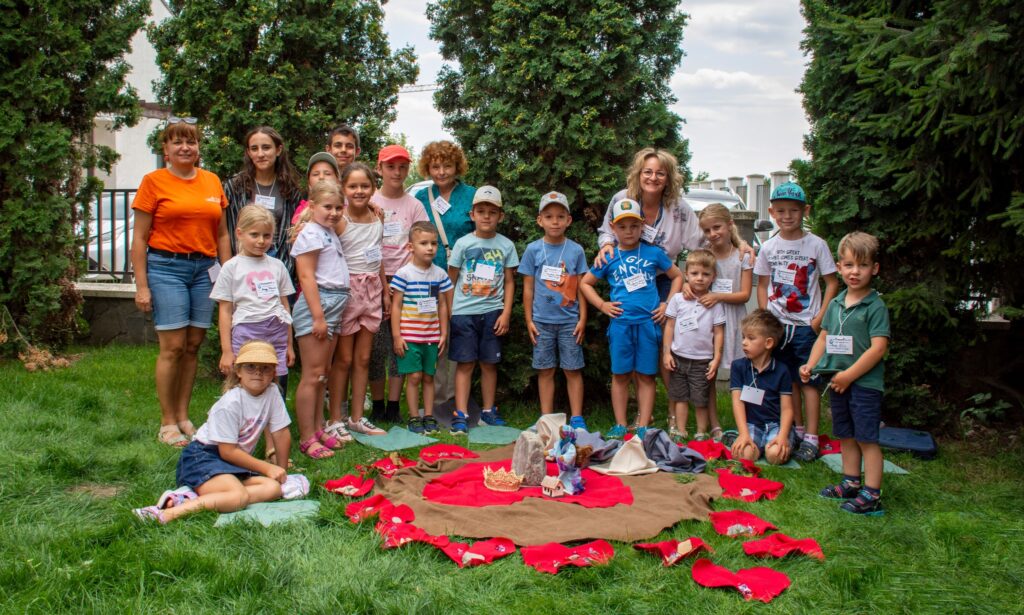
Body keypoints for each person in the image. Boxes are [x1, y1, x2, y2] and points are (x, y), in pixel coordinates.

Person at [594, 147, 754, 430]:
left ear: (668, 178)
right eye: (647, 172)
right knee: (634, 342)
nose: (653, 177)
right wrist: (606, 245)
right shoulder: (622, 199)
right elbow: (607, 230)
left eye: (660, 173)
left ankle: (672, 411)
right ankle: (642, 414)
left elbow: (703, 241)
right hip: (631, 280)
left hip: (668, 280)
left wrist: (738, 243)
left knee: (666, 347)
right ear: (638, 173)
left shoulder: (678, 208)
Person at [131, 116, 230, 447]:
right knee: (172, 347)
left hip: (204, 270)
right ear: (166, 149)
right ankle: (167, 421)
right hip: (166, 268)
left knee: (192, 345)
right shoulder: (153, 182)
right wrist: (142, 286)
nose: (185, 147)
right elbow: (139, 238)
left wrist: (227, 275)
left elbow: (222, 234)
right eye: (178, 142)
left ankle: (184, 416)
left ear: (198, 148)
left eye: (191, 141)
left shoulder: (212, 181)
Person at [132, 341, 290, 523]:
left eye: (265, 367)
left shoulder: (272, 392)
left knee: (273, 488)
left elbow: (281, 433)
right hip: (203, 457)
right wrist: (267, 467)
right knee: (238, 497)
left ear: (274, 372)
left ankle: (191, 497)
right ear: (238, 371)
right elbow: (227, 451)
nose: (258, 372)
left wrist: (282, 471)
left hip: (232, 462)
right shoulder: (230, 403)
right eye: (250, 366)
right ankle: (165, 514)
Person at [800, 232, 890, 516]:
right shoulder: (837, 303)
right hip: (837, 383)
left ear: (874, 268)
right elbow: (823, 337)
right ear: (839, 267)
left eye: (863, 265)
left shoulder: (875, 306)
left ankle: (872, 494)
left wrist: (849, 375)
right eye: (849, 265)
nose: (855, 271)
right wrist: (810, 365)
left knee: (866, 438)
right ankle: (851, 482)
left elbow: (878, 348)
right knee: (846, 435)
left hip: (864, 384)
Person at [580, 199, 683, 439]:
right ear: (613, 228)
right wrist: (602, 305)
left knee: (646, 376)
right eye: (622, 226)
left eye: (634, 226)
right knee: (620, 375)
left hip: (648, 324)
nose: (628, 231)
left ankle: (643, 425)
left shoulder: (653, 253)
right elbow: (585, 283)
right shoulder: (609, 256)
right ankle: (620, 423)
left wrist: (667, 304)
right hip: (621, 325)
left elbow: (678, 277)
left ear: (642, 225)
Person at [754, 181, 839, 462]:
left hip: (805, 325)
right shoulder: (768, 247)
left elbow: (831, 282)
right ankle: (796, 429)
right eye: (780, 211)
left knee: (808, 380)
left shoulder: (816, 245)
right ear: (771, 212)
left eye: (794, 210)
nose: (787, 216)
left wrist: (819, 318)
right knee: (787, 380)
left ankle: (812, 436)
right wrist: (766, 318)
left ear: (806, 211)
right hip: (778, 326)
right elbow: (762, 284)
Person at [447, 186, 519, 434]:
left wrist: (506, 313)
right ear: (472, 214)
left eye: (492, 212)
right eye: (481, 211)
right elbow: (451, 280)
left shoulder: (507, 245)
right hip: (463, 312)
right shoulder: (462, 244)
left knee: (489, 364)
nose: (486, 216)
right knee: (465, 364)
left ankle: (488, 411)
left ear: (501, 216)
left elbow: (509, 282)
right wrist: (450, 312)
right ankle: (461, 413)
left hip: (493, 312)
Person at [326, 162, 388, 437]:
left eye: (365, 186)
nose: (359, 191)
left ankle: (357, 417)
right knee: (344, 359)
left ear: (373, 188)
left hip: (372, 291)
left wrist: (384, 289)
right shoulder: (340, 220)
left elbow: (378, 256)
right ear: (343, 188)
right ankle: (334, 419)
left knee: (363, 358)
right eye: (353, 186)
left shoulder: (378, 218)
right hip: (348, 290)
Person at [368, 145, 429, 424]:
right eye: (391, 166)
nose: (397, 172)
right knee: (376, 346)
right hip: (373, 279)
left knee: (399, 345)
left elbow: (422, 241)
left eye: (402, 167)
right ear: (379, 168)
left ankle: (394, 405)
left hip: (406, 281)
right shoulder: (370, 200)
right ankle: (377, 404)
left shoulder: (414, 205)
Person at [289, 180, 350, 459]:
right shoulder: (311, 233)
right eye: (328, 207)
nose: (334, 212)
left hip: (334, 304)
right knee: (313, 375)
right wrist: (318, 316)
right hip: (320, 305)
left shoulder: (328, 231)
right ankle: (306, 437)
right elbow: (305, 276)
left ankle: (317, 428)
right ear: (312, 206)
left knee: (323, 374)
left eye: (338, 207)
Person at [517, 192, 588, 428]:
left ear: (568, 220)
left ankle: (577, 418)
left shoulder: (576, 250)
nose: (555, 221)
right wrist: (529, 320)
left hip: (570, 322)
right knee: (545, 370)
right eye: (549, 216)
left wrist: (582, 319)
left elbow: (582, 288)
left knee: (572, 369)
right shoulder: (533, 250)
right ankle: (546, 419)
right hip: (541, 322)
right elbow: (528, 289)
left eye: (560, 216)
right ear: (540, 220)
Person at [414, 140, 476, 409]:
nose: (441, 172)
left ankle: (456, 397)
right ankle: (437, 398)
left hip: (465, 277)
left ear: (457, 166)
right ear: (427, 168)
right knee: (435, 334)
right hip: (431, 275)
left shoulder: (471, 195)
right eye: (435, 166)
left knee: (461, 333)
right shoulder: (421, 197)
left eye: (447, 166)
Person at [210, 205, 295, 383]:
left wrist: (289, 345)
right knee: (244, 381)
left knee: (276, 381)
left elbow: (285, 306)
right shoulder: (231, 267)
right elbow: (225, 310)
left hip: (276, 332)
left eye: (267, 235)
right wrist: (227, 351)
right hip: (246, 331)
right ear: (240, 233)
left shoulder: (278, 266)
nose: (261, 241)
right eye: (254, 235)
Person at [696, 203, 754, 441]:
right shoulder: (704, 255)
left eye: (717, 227)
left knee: (743, 372)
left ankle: (749, 422)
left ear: (730, 225)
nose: (712, 234)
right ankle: (714, 424)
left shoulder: (742, 256)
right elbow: (692, 280)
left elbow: (745, 294)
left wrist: (717, 296)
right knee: (708, 373)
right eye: (707, 230)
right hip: (708, 320)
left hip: (735, 320)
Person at [390, 221, 453, 434]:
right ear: (411, 247)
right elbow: (396, 305)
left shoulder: (440, 274)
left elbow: (442, 304)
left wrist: (443, 333)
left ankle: (428, 415)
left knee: (428, 376)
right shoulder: (404, 274)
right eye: (424, 243)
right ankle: (414, 416)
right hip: (409, 337)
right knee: (414, 376)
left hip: (431, 336)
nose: (430, 248)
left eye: (433, 243)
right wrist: (397, 336)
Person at [222, 126, 302, 280]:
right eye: (254, 148)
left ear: (278, 150)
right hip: (242, 267)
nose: (260, 154)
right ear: (248, 152)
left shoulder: (291, 189)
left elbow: (292, 234)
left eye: (266, 147)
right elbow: (226, 231)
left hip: (280, 266)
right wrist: (228, 271)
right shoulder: (234, 186)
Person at [662, 249, 726, 443]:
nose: (700, 278)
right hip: (678, 357)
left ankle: (701, 432)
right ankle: (681, 431)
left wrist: (716, 358)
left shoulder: (714, 303)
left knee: (700, 399)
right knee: (679, 397)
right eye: (695, 273)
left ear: (713, 277)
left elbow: (719, 332)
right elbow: (669, 326)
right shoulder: (677, 299)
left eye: (705, 274)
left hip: (702, 360)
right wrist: (667, 353)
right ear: (686, 274)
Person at [727, 310, 796, 465]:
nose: (744, 342)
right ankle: (750, 442)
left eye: (751, 338)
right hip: (751, 425)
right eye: (743, 337)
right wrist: (743, 433)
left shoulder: (782, 370)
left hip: (776, 425)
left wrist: (782, 436)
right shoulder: (738, 366)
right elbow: (738, 402)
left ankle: (783, 441)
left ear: (768, 343)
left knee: (775, 455)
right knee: (743, 455)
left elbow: (787, 409)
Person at [291, 152, 340, 225]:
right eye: (315, 174)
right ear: (309, 182)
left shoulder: (346, 208)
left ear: (337, 180)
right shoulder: (301, 210)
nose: (321, 177)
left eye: (327, 173)